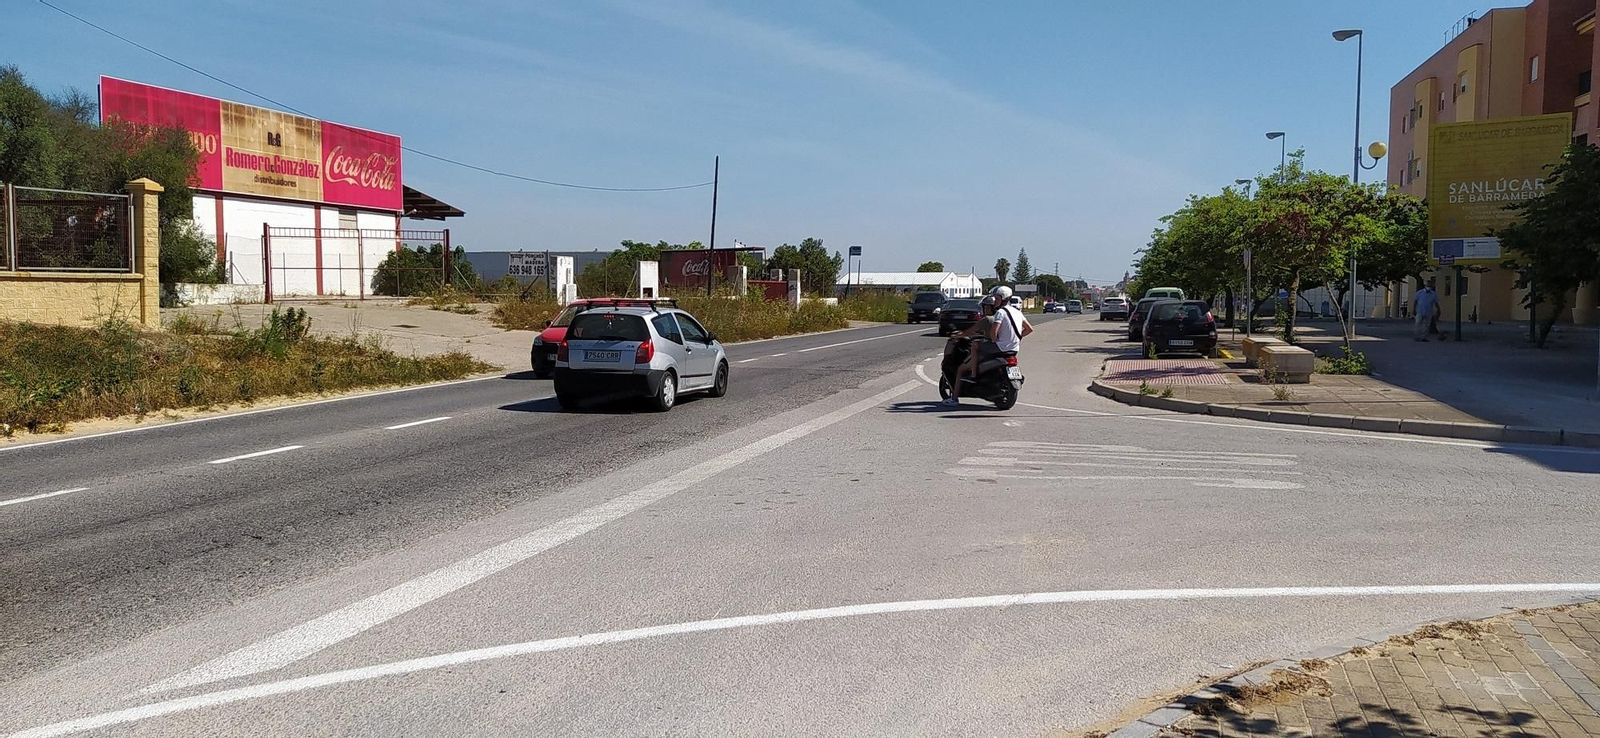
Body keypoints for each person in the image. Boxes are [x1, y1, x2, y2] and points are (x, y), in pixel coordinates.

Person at [943, 297, 997, 406]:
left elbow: (969, 331)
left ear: (987, 308)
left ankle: (954, 398)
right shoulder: (1000, 318)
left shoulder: (987, 320)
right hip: (999, 349)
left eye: (985, 307)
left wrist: (957, 335)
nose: (984, 309)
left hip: (986, 350)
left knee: (960, 369)